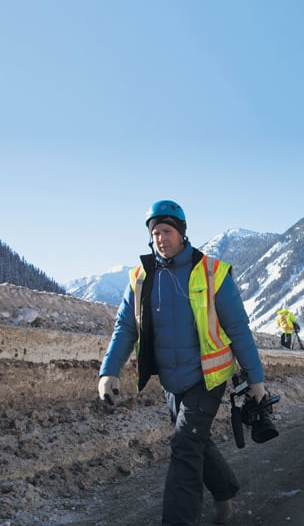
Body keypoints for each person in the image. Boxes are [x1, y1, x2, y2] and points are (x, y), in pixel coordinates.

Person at [98, 200, 268, 526]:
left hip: (208, 377)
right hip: (170, 380)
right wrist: (109, 371)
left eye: (167, 231)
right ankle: (224, 491)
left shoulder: (212, 272)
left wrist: (255, 378)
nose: (161, 238)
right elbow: (125, 328)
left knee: (184, 445)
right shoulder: (140, 278)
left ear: (182, 233)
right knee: (194, 440)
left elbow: (238, 329)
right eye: (156, 233)